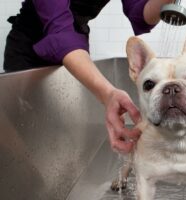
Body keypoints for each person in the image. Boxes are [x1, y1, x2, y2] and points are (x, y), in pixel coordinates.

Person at [3, 0, 172, 153]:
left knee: (66, 136)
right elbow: (60, 31)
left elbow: (140, 12)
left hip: (76, 54)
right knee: (28, 140)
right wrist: (108, 94)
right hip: (29, 54)